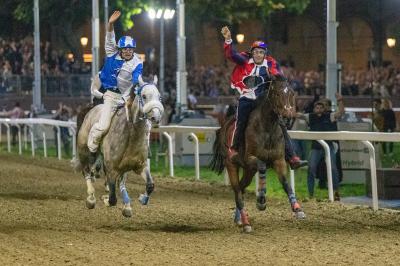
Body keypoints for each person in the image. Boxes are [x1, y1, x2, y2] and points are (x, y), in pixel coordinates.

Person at [220, 26, 307, 169]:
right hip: (246, 98)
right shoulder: (244, 60)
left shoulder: (271, 63)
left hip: (262, 100)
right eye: (256, 52)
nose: (258, 55)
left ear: (265, 54)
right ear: (252, 53)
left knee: (281, 125)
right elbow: (230, 55)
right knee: (240, 121)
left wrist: (275, 76)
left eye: (261, 52)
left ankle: (292, 157)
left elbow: (277, 74)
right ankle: (234, 149)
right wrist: (228, 39)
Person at [87, 10, 143, 168]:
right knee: (104, 125)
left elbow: (136, 77)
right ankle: (92, 148)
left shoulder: (137, 62)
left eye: (130, 49)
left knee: (137, 123)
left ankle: (138, 151)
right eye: (125, 49)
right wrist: (110, 24)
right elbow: (110, 37)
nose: (127, 52)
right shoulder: (112, 52)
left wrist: (139, 87)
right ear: (120, 49)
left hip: (126, 98)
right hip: (111, 96)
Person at [297, 93, 345, 200]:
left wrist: (340, 100)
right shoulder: (310, 116)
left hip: (329, 146)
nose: (318, 109)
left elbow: (341, 113)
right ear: (314, 109)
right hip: (316, 147)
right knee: (311, 168)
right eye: (317, 107)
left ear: (324, 109)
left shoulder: (330, 116)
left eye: (321, 107)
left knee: (333, 168)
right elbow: (294, 114)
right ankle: (310, 195)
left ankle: (336, 192)